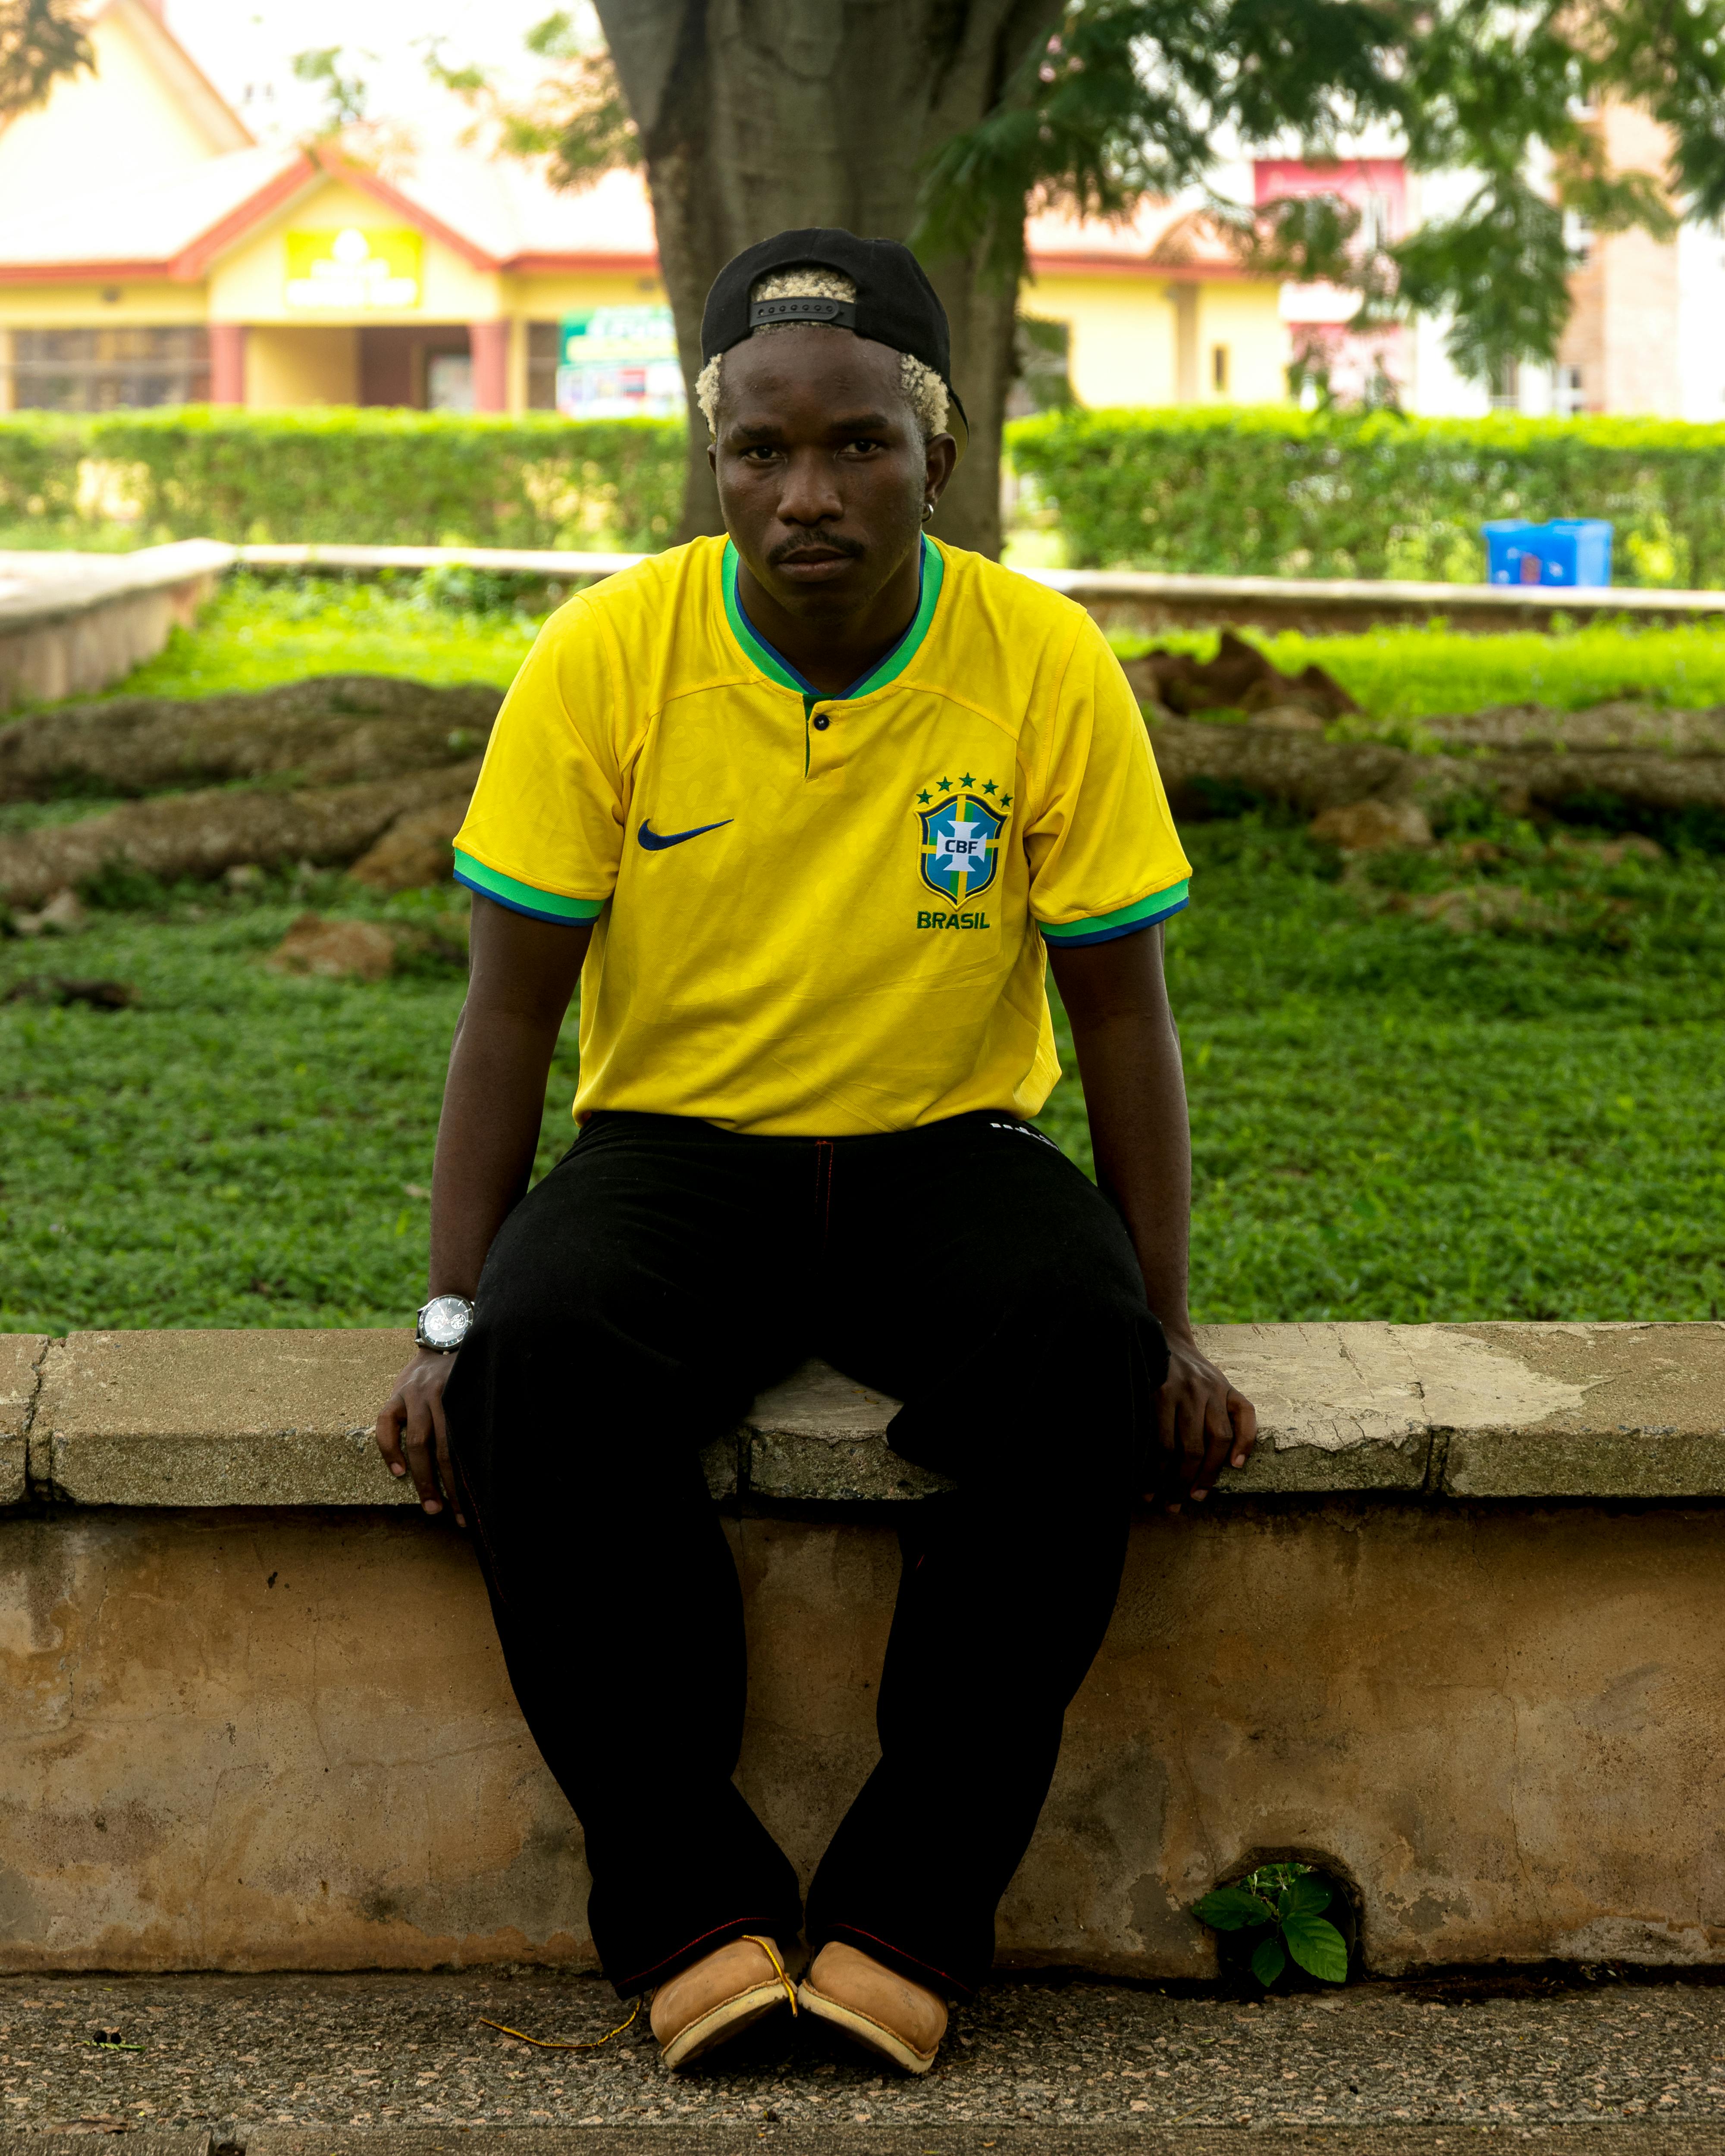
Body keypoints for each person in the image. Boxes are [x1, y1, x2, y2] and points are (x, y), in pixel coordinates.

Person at [376, 229, 1256, 2078]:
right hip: (674, 1152)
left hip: (952, 1151)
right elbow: (511, 1018)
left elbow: (1120, 1016)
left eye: (856, 444)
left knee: (1075, 1363)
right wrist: (452, 1318)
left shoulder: (1040, 661)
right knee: (538, 1367)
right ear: (711, 463)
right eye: (759, 450)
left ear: (937, 456)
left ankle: (907, 1907)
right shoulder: (610, 653)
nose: (806, 493)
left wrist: (1167, 1324)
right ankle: (688, 1899)